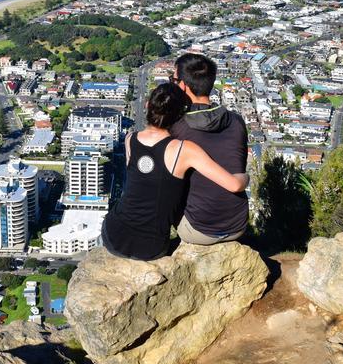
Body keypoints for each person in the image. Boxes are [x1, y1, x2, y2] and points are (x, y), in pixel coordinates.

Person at [101, 83, 249, 260]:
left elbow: (139, 181)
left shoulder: (130, 139)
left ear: (148, 105)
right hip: (151, 246)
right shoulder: (184, 150)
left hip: (113, 235)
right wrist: (245, 177)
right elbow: (233, 185)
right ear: (180, 116)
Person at [169, 52, 250, 245]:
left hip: (198, 229)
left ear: (183, 85)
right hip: (237, 225)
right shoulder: (236, 121)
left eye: (173, 79)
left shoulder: (177, 126)